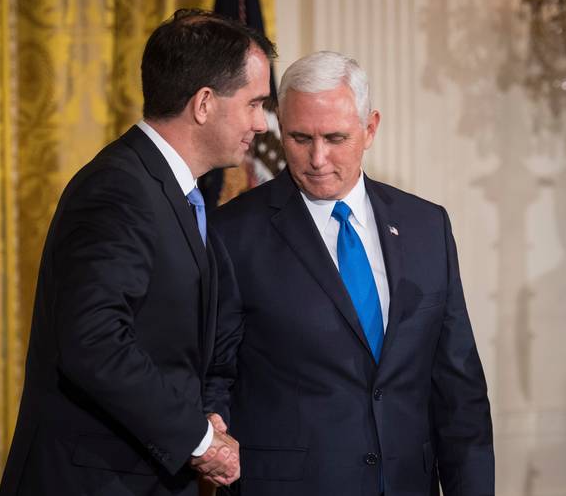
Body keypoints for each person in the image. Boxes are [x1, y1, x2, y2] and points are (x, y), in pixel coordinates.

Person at [0, 9, 274, 496]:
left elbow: (175, 344)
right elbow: (93, 341)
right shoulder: (119, 189)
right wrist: (199, 439)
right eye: (254, 103)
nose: (262, 122)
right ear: (205, 103)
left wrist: (204, 414)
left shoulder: (168, 190)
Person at [205, 51, 494, 496]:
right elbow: (213, 376)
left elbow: (459, 389)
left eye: (335, 137)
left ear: (370, 127)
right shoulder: (232, 233)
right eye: (300, 137)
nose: (317, 158)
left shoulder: (426, 226)